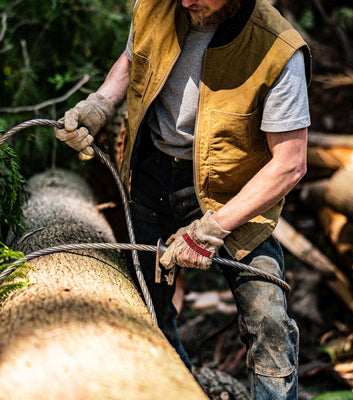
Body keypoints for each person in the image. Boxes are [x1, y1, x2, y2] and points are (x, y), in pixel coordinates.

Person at [55, 0, 311, 398]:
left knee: (268, 320)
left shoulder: (278, 49)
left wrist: (214, 228)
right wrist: (100, 104)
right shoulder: (155, 6)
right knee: (147, 313)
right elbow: (133, 57)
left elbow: (290, 164)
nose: (186, 1)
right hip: (153, 175)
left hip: (233, 195)